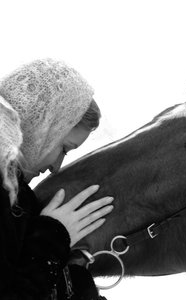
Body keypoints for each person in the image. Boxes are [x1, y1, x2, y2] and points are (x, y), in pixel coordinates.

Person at [0, 59, 111, 300]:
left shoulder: (18, 199)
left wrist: (73, 276)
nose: (56, 167)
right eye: (64, 148)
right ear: (40, 127)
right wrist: (51, 238)